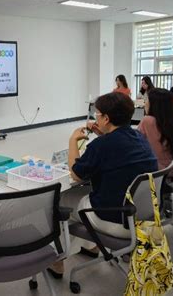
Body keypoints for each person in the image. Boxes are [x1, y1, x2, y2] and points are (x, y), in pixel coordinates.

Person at [49, 92, 158, 277]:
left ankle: (57, 260)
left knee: (60, 199)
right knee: (89, 191)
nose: (95, 118)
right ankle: (92, 246)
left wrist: (72, 140)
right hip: (143, 215)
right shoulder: (140, 138)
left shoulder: (102, 146)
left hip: (117, 220)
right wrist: (104, 135)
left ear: (106, 118)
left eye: (97, 114)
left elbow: (76, 174)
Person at [138, 88, 173, 175]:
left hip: (159, 172)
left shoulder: (147, 121)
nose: (145, 103)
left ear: (154, 104)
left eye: (147, 100)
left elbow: (136, 146)